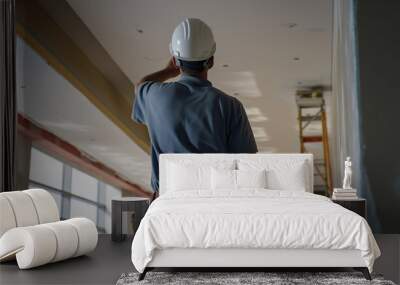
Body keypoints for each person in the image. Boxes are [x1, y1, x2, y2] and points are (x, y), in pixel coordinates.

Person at [132, 18, 258, 198]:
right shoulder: (230, 106)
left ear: (175, 60)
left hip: (167, 202)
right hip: (214, 202)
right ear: (211, 61)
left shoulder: (155, 96)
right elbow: (247, 165)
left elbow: (140, 86)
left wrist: (168, 71)